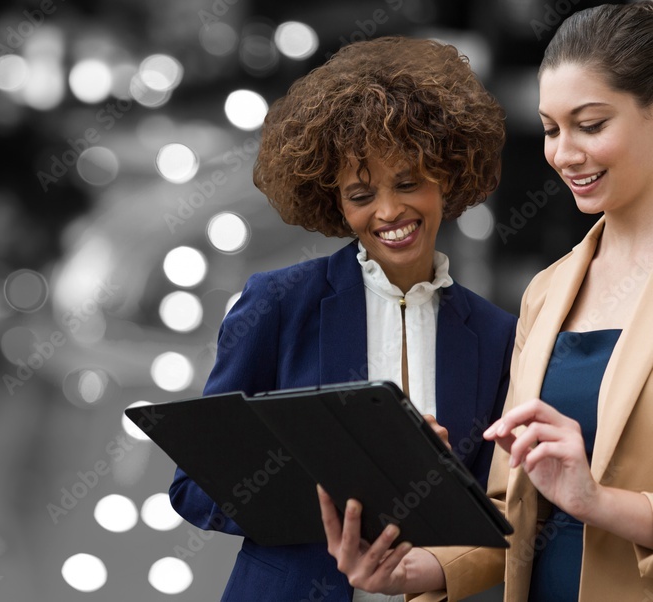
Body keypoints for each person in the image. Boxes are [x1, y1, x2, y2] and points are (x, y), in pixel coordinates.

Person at [319, 3, 653, 601]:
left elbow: (579, 499)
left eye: (591, 124)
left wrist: (597, 502)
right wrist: (418, 569)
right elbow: (513, 509)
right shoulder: (548, 291)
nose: (564, 153)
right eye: (551, 129)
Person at [168, 36, 516, 602]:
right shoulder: (278, 305)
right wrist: (351, 479)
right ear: (335, 201)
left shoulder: (498, 335)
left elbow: (501, 515)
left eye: (408, 182)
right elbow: (194, 488)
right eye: (360, 194)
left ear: (447, 176)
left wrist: (440, 486)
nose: (388, 211)